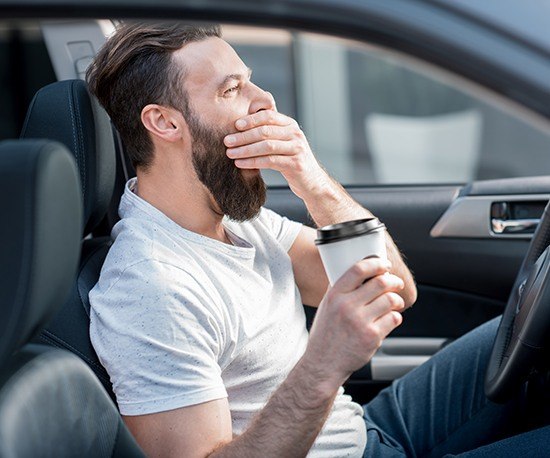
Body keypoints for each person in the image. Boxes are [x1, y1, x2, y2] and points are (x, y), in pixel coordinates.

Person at [87, 22, 548, 457]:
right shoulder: (150, 287)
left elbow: (393, 287)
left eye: (249, 81)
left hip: (369, 429)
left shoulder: (236, 218)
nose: (264, 99)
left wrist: (313, 181)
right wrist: (324, 366)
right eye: (232, 89)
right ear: (164, 123)